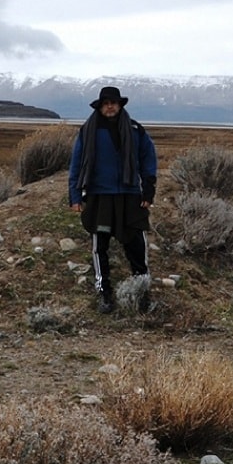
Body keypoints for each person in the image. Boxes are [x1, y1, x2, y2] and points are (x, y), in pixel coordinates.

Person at [68, 85, 157, 313]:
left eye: (114, 102)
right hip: (100, 196)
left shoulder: (136, 130)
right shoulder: (89, 131)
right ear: (100, 106)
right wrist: (75, 196)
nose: (110, 106)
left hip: (130, 195)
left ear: (120, 105)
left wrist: (149, 189)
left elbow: (148, 159)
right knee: (100, 246)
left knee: (136, 244)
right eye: (106, 102)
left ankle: (141, 291)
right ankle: (104, 292)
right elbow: (76, 165)